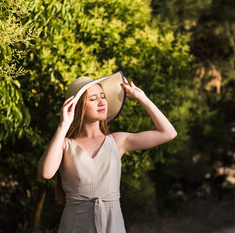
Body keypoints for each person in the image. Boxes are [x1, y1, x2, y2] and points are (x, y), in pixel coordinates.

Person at [37, 71, 177, 233]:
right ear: (79, 107)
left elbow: (168, 133)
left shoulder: (118, 141)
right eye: (93, 99)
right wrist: (64, 125)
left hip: (112, 223)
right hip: (75, 225)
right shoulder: (64, 145)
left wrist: (142, 98)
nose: (102, 102)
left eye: (102, 96)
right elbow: (46, 173)